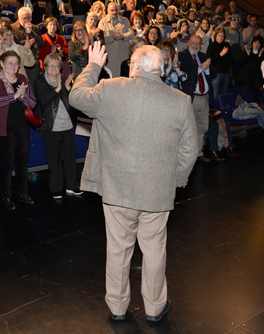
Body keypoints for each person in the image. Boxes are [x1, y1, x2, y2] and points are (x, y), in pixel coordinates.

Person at [69, 41, 198, 322]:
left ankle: (117, 308)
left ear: (134, 66)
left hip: (117, 191)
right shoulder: (180, 100)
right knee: (153, 251)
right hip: (157, 193)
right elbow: (190, 149)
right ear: (161, 69)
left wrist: (93, 65)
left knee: (118, 250)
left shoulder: (110, 88)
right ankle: (154, 309)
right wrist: (173, 181)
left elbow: (76, 96)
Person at [0, 50, 37, 210]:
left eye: (16, 63)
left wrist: (22, 96)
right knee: (7, 163)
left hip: (22, 126)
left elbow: (33, 103)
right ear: (1, 63)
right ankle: (6, 196)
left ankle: (23, 193)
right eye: (9, 63)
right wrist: (14, 96)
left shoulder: (23, 79)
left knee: (22, 161)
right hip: (3, 127)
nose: (13, 66)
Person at [34, 54, 81, 199]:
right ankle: (56, 188)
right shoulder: (39, 83)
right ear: (45, 67)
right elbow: (43, 101)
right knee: (54, 159)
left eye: (57, 65)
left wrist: (66, 89)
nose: (54, 68)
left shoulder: (63, 80)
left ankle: (72, 186)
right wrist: (57, 90)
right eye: (51, 65)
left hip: (67, 125)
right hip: (50, 127)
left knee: (70, 157)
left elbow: (69, 103)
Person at [179, 34, 214, 163]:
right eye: (193, 43)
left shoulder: (203, 56)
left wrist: (207, 69)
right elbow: (184, 75)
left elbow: (213, 73)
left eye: (198, 44)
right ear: (188, 43)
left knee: (202, 127)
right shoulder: (182, 57)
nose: (195, 46)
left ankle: (199, 153)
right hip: (191, 97)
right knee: (189, 129)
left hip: (204, 97)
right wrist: (200, 69)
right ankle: (189, 155)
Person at [11, 6, 45, 90]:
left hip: (34, 62)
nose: (27, 20)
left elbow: (41, 43)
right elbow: (13, 44)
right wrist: (29, 43)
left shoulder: (35, 28)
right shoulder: (12, 28)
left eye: (29, 17)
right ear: (19, 18)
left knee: (33, 87)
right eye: (24, 18)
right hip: (19, 62)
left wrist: (31, 32)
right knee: (20, 87)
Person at [98, 1, 134, 76]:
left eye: (116, 10)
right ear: (107, 10)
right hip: (110, 56)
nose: (114, 12)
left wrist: (123, 36)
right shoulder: (102, 22)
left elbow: (131, 34)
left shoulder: (125, 20)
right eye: (112, 10)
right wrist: (112, 38)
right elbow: (101, 38)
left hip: (123, 56)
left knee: (123, 79)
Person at [206, 28, 231, 102]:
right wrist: (220, 54)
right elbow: (209, 59)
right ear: (215, 36)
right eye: (219, 35)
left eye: (222, 36)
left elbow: (230, 58)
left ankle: (223, 112)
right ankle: (215, 111)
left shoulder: (226, 45)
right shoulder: (212, 46)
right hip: (216, 73)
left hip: (226, 72)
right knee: (215, 95)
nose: (221, 38)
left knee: (224, 94)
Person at [237, 34, 263, 99]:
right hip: (246, 79)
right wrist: (248, 54)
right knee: (244, 96)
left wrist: (259, 56)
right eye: (255, 42)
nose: (256, 45)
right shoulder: (247, 51)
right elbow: (242, 63)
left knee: (254, 98)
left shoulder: (262, 54)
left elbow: (259, 66)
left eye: (258, 43)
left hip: (256, 80)